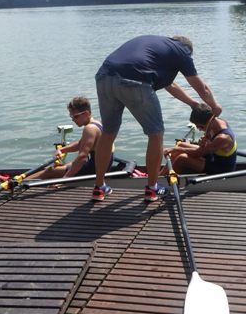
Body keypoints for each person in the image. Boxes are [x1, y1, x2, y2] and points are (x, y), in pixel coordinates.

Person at [92, 35, 223, 202]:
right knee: (156, 134)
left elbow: (171, 85)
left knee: (108, 133)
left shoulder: (158, 47)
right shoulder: (182, 51)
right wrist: (214, 106)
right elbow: (202, 88)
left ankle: (99, 187)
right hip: (135, 81)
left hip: (104, 77)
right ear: (188, 51)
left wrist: (193, 103)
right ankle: (152, 188)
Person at [31, 96, 111, 180]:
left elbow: (82, 158)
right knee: (61, 167)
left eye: (76, 116)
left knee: (50, 171)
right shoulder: (97, 123)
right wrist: (61, 150)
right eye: (71, 117)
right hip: (101, 165)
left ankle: (21, 183)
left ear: (86, 114)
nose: (73, 120)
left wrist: (65, 179)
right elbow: (80, 144)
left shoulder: (90, 129)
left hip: (94, 170)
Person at [164, 103, 237, 175]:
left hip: (221, 168)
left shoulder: (223, 138)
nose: (199, 129)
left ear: (209, 122)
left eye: (201, 127)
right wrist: (205, 142)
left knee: (182, 158)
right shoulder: (214, 121)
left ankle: (164, 179)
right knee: (181, 145)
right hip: (212, 156)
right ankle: (160, 175)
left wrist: (174, 149)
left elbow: (198, 153)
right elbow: (204, 147)